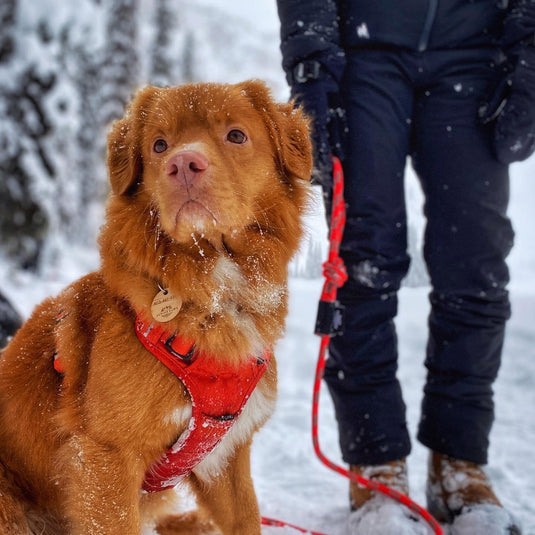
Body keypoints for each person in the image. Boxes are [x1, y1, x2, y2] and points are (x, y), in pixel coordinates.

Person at [277, 1, 534, 533]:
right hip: (364, 55)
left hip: (477, 52)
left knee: (476, 265)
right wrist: (312, 64)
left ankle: (458, 462)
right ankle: (375, 465)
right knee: (362, 259)